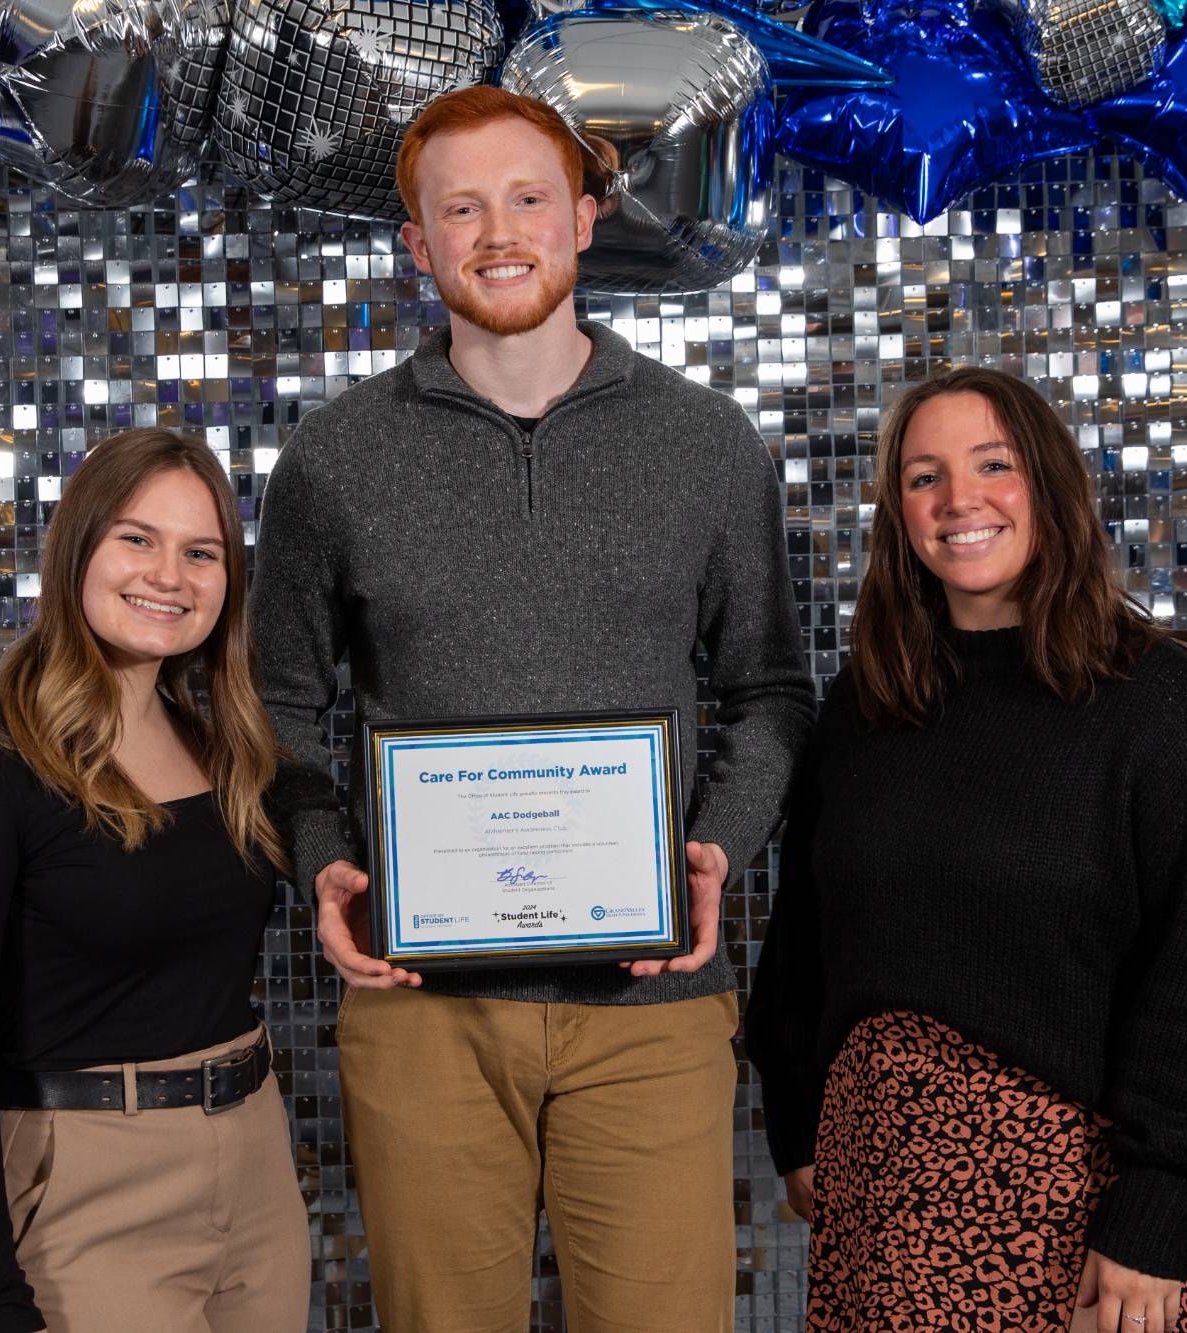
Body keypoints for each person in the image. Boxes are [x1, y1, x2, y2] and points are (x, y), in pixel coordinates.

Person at [250, 85, 815, 1332]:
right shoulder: (335, 460)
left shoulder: (707, 443)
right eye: (460, 208)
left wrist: (716, 845)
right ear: (418, 243)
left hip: (653, 1007)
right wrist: (324, 860)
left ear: (583, 216)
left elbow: (772, 689)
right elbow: (277, 700)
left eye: (525, 198)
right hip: (422, 1010)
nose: (496, 231)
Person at [745, 369, 1187, 1333]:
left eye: (992, 465)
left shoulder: (1158, 708)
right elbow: (806, 940)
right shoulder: (866, 707)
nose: (959, 501)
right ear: (900, 513)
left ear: (1049, 484)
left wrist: (1157, 1211)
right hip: (879, 1210)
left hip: (1092, 1223)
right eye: (924, 477)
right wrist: (800, 1116)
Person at [0, 429, 310, 1333]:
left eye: (202, 552)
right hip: (90, 1183)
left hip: (256, 1166)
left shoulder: (221, 745)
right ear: (78, 546)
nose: (170, 574)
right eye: (136, 538)